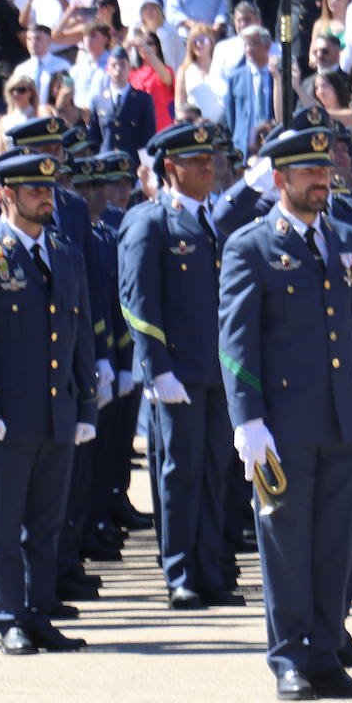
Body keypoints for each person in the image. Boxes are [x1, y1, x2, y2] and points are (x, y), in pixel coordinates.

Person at [218, 125, 352, 700]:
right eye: (308, 172)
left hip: (343, 419)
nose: (322, 180)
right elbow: (237, 342)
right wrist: (248, 419)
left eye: (325, 170)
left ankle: (324, 654)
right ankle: (289, 657)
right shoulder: (251, 246)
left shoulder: (346, 237)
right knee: (287, 543)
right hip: (284, 424)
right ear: (279, 179)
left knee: (336, 543)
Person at [0, 150, 97, 655]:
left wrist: (85, 405)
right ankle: (8, 615)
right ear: (3, 194)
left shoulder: (65, 252)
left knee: (46, 522)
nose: (44, 196)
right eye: (33, 189)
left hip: (57, 410)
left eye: (48, 188)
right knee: (5, 522)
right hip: (7, 415)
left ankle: (38, 612)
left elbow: (79, 336)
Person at [118, 123, 234, 609]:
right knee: (179, 473)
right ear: (170, 168)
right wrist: (155, 368)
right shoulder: (151, 221)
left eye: (210, 159)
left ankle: (210, 569)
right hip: (178, 373)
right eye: (196, 161)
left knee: (216, 473)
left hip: (218, 371)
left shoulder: (218, 221)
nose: (209, 167)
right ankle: (180, 571)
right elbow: (137, 302)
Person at [89, 46, 156, 155]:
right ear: (107, 69)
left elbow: (148, 138)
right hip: (106, 164)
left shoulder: (143, 99)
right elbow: (94, 139)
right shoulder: (98, 101)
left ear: (129, 67)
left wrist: (146, 166)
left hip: (133, 164)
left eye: (122, 64)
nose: (118, 69)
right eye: (114, 65)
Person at [220, 26, 276, 155]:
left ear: (267, 45)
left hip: (272, 144)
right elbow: (231, 116)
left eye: (252, 44)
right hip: (244, 149)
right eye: (245, 46)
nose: (248, 49)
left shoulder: (278, 76)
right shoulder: (235, 77)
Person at [178, 23, 225, 122]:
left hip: (222, 127)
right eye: (194, 41)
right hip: (194, 128)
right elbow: (179, 105)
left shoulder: (222, 67)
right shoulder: (184, 70)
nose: (198, 44)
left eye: (202, 40)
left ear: (211, 42)